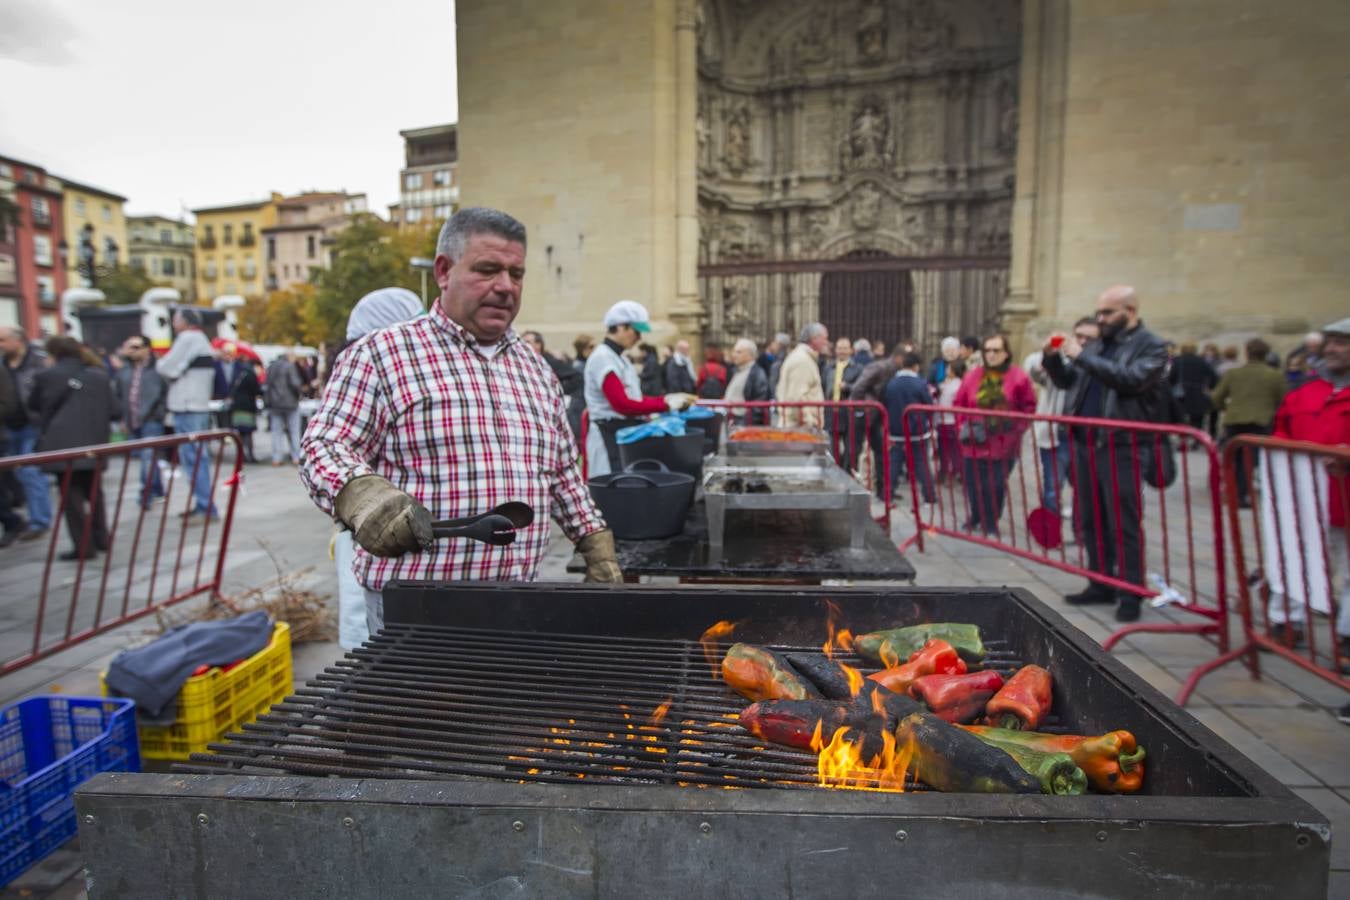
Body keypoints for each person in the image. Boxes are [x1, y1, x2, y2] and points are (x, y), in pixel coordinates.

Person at [300, 207, 624, 635]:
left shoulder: (535, 368)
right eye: (488, 270)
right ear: (443, 270)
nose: (505, 286)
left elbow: (561, 473)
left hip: (516, 599)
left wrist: (595, 543)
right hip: (415, 607)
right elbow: (323, 445)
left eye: (516, 273)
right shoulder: (382, 354)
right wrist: (360, 495)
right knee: (409, 705)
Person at [1043, 285, 1169, 623]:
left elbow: (1131, 380)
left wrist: (1083, 355)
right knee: (1090, 518)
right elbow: (1069, 381)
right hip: (1086, 444)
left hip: (1122, 446)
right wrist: (1052, 357)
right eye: (1098, 312)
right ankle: (1100, 582)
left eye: (1107, 313)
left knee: (1123, 521)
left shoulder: (1152, 346)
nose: (1101, 319)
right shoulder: (1100, 344)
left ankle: (1130, 591)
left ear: (1130, 311)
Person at [1263, 319, 1350, 656]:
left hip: (1343, 498)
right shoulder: (1304, 392)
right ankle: (1287, 622)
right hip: (1305, 498)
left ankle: (1346, 635)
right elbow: (1282, 429)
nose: (1331, 349)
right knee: (1296, 558)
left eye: (1341, 343)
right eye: (1330, 342)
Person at [583, 300, 695, 476]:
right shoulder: (603, 357)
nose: (639, 338)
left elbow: (636, 399)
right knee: (613, 487)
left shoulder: (620, 358)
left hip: (621, 433)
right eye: (636, 331)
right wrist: (665, 405)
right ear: (620, 327)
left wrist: (666, 399)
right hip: (608, 436)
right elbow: (622, 405)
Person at [28, 336, 114, 560]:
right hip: (94, 442)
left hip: (62, 444)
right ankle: (102, 537)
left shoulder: (47, 376)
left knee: (71, 496)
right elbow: (115, 410)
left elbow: (34, 405)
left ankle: (83, 546)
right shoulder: (99, 376)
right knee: (95, 492)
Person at [953, 333, 1036, 536]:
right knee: (973, 482)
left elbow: (1029, 406)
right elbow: (959, 403)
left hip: (1003, 443)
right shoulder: (973, 375)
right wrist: (962, 426)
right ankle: (975, 516)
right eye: (987, 350)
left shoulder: (1018, 377)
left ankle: (991, 520)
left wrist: (1017, 428)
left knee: (995, 484)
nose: (991, 354)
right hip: (974, 440)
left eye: (996, 350)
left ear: (1006, 353)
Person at [1023, 318, 1099, 513]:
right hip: (1057, 434)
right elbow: (1036, 373)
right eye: (1079, 336)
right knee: (1052, 487)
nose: (1083, 342)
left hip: (1085, 435)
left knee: (1084, 489)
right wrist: (1048, 354)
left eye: (1089, 338)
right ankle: (1051, 532)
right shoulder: (1062, 359)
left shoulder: (1099, 365)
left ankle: (1081, 534)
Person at [156, 308, 219, 520]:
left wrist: (161, 363)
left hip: (188, 405)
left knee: (193, 457)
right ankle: (204, 503)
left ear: (184, 321)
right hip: (196, 404)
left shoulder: (188, 338)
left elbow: (166, 367)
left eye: (175, 320)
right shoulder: (201, 339)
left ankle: (205, 506)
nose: (174, 324)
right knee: (196, 457)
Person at [1209, 338, 1286, 508]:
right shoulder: (1274, 376)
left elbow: (1216, 397)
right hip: (1260, 420)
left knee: (1234, 457)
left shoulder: (1234, 374)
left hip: (1235, 419)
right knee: (1251, 460)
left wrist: (1225, 408)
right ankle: (1241, 494)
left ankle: (1233, 491)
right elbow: (1282, 400)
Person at [0, 326, 52, 540]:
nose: (0, 345)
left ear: (17, 340)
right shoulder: (2, 364)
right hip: (9, 426)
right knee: (19, 473)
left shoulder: (38, 362)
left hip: (33, 424)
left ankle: (39, 520)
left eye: (2, 340)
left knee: (30, 472)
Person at [111, 335, 169, 508]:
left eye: (135, 347)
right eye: (128, 347)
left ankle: (146, 494)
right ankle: (157, 490)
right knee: (148, 458)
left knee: (148, 457)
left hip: (151, 420)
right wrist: (121, 418)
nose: (130, 351)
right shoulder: (124, 371)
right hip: (132, 420)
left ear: (146, 349)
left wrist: (159, 413)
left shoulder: (158, 369)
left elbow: (164, 394)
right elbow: (119, 395)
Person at [850, 341, 903, 498]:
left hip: (877, 416)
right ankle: (850, 489)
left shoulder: (893, 369)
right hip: (866, 414)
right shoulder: (880, 367)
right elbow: (858, 387)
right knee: (855, 450)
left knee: (880, 453)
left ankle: (883, 491)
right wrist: (863, 408)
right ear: (899, 358)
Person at [882, 350, 936, 504]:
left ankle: (888, 494)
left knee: (894, 463)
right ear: (916, 366)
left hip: (896, 430)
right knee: (921, 463)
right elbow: (928, 405)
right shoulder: (919, 383)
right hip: (917, 430)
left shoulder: (891, 383)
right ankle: (929, 496)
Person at [821, 336, 864, 465]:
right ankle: (835, 470)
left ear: (851, 350)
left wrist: (848, 387)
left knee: (850, 447)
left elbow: (861, 388)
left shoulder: (858, 368)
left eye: (845, 348)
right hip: (831, 411)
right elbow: (823, 385)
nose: (842, 351)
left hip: (848, 411)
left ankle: (847, 471)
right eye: (839, 348)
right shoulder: (828, 367)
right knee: (832, 446)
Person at [776, 323, 829, 428]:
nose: (826, 343)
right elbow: (796, 397)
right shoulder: (802, 361)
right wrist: (809, 422)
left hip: (797, 427)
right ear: (814, 339)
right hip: (799, 429)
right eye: (824, 339)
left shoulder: (803, 358)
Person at [218, 343, 262, 463]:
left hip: (237, 405)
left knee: (241, 432)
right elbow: (256, 389)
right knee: (248, 432)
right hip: (248, 405)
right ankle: (249, 454)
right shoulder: (250, 373)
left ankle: (242, 455)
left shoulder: (237, 372)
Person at [1168, 342, 1217, 440]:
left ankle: (1183, 439)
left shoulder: (1177, 361)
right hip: (1198, 392)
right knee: (1197, 419)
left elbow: (1171, 378)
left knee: (1182, 417)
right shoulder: (1201, 361)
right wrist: (1209, 387)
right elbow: (1214, 377)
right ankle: (1196, 440)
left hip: (1182, 394)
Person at [264, 350, 304, 466]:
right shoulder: (289, 366)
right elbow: (295, 383)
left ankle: (277, 457)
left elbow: (267, 384)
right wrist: (299, 393)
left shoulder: (271, 366)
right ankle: (296, 457)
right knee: (294, 431)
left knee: (276, 432)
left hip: (275, 404)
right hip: (290, 403)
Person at [522, 330, 584, 404]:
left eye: (527, 342)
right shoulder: (524, 362)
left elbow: (577, 377)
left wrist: (556, 391)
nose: (522, 345)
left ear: (538, 345)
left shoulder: (549, 361)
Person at [724, 337, 770, 424]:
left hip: (744, 421)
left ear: (750, 354)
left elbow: (759, 404)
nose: (734, 355)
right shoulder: (735, 370)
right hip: (732, 419)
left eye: (739, 352)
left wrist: (746, 423)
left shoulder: (758, 374)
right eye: (734, 351)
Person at [934, 357, 965, 484]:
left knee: (951, 450)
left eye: (949, 368)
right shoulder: (949, 383)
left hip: (950, 421)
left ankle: (953, 472)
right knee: (944, 449)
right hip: (943, 421)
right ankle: (945, 471)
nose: (946, 369)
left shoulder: (956, 385)